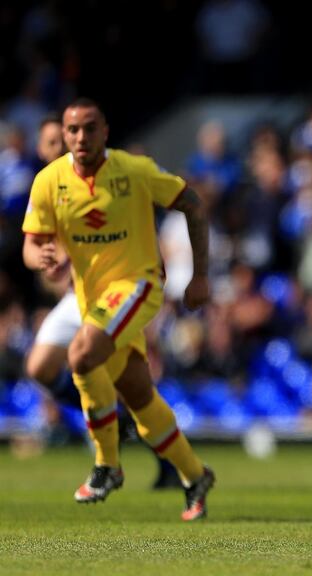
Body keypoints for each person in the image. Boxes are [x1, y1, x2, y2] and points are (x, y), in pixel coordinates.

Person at [22, 98, 216, 521]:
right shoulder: (48, 182)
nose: (79, 138)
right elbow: (31, 243)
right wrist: (42, 256)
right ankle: (194, 474)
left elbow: (193, 205)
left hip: (138, 286)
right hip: (92, 301)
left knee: (81, 354)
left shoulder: (135, 171)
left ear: (105, 131)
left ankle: (107, 464)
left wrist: (200, 276)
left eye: (89, 128)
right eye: (72, 130)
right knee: (137, 393)